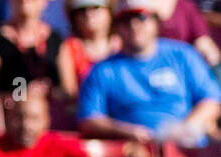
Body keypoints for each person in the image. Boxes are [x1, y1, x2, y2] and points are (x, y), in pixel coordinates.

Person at [78, 0, 221, 147]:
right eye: (126, 20)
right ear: (116, 27)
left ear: (156, 22)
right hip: (131, 156)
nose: (134, 26)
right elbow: (89, 120)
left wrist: (184, 129)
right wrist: (127, 132)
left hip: (187, 153)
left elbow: (212, 100)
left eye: (141, 18)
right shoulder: (101, 71)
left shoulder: (182, 56)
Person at [57, 0, 119, 98]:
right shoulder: (69, 47)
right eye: (82, 10)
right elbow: (70, 91)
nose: (88, 14)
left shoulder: (122, 44)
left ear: (109, 11)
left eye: (95, 7)